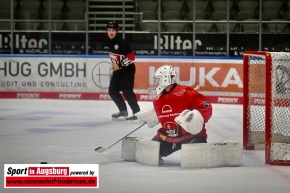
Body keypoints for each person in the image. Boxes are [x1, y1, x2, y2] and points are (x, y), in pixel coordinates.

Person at [136, 65, 212, 158]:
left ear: (165, 78)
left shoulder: (186, 92)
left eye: (158, 79)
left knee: (194, 159)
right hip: (168, 138)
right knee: (149, 154)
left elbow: (206, 107)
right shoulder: (157, 99)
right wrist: (153, 117)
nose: (156, 82)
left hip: (192, 136)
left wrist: (195, 118)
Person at [105, 21, 140, 121]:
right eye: (109, 30)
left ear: (117, 31)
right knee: (112, 91)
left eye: (113, 30)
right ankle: (123, 110)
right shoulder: (108, 42)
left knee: (127, 91)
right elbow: (114, 57)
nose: (111, 32)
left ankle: (137, 113)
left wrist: (119, 65)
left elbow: (132, 57)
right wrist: (115, 69)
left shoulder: (122, 42)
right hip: (118, 71)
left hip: (127, 70)